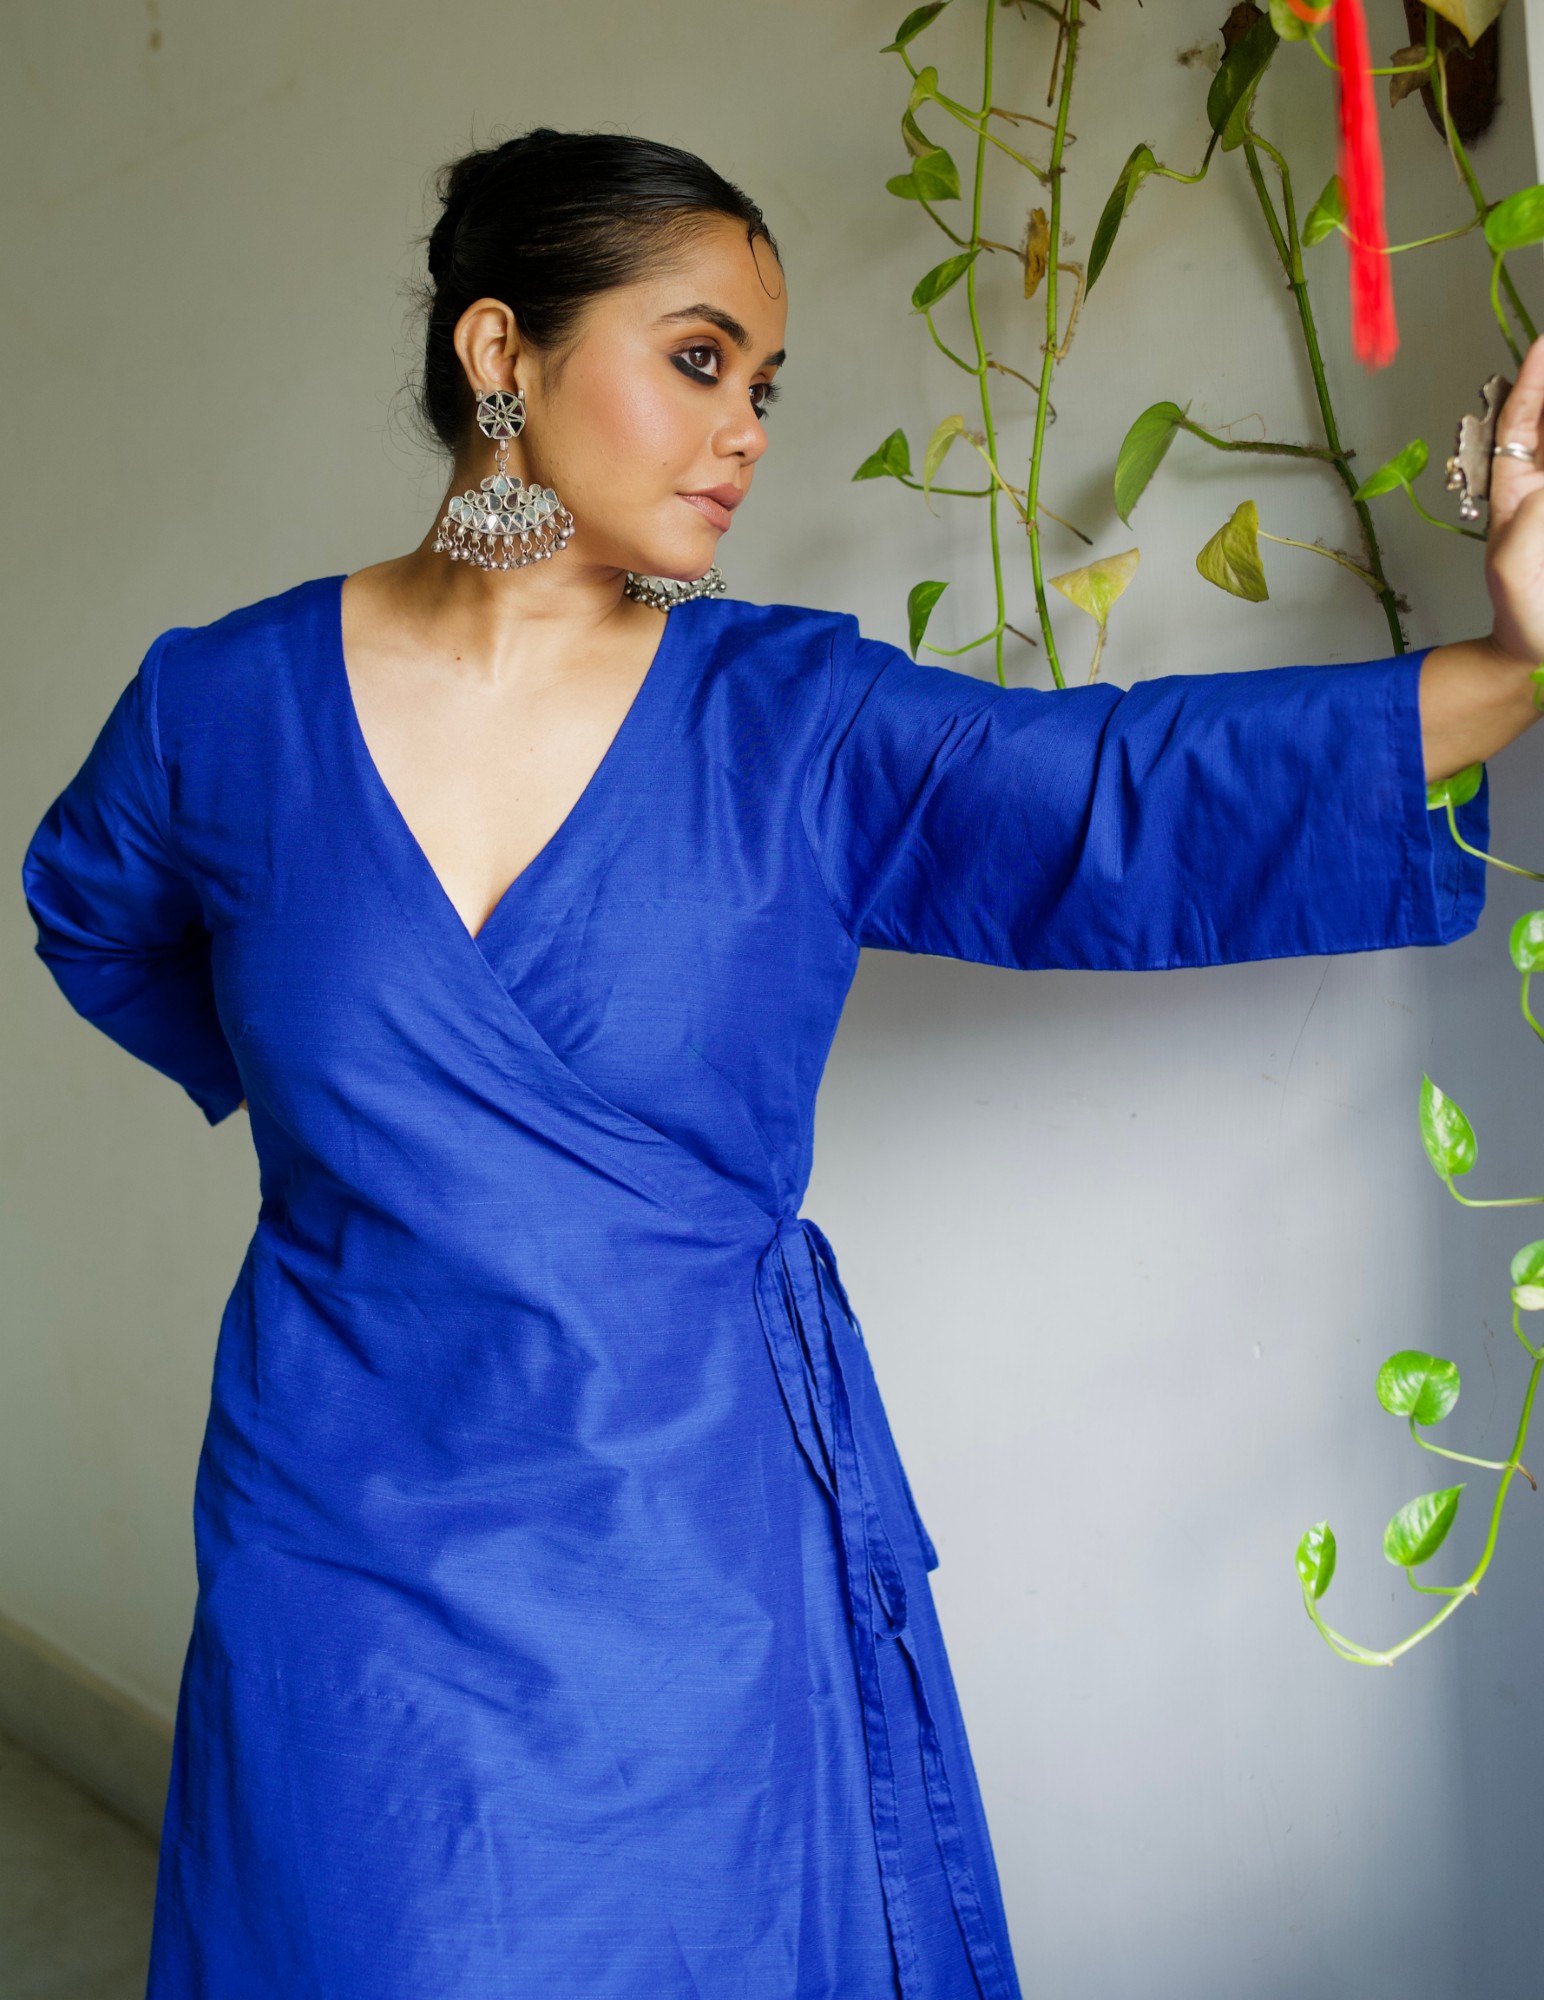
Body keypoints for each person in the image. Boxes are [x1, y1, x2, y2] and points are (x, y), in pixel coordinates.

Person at [17, 124, 1544, 2000]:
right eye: (697, 359)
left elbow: (1119, 797)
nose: (746, 428)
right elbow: (93, 913)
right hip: (339, 1547)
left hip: (690, 1543)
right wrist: (364, 1134)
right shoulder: (219, 712)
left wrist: (1512, 665)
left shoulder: (793, 721)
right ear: (501, 354)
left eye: (764, 383)